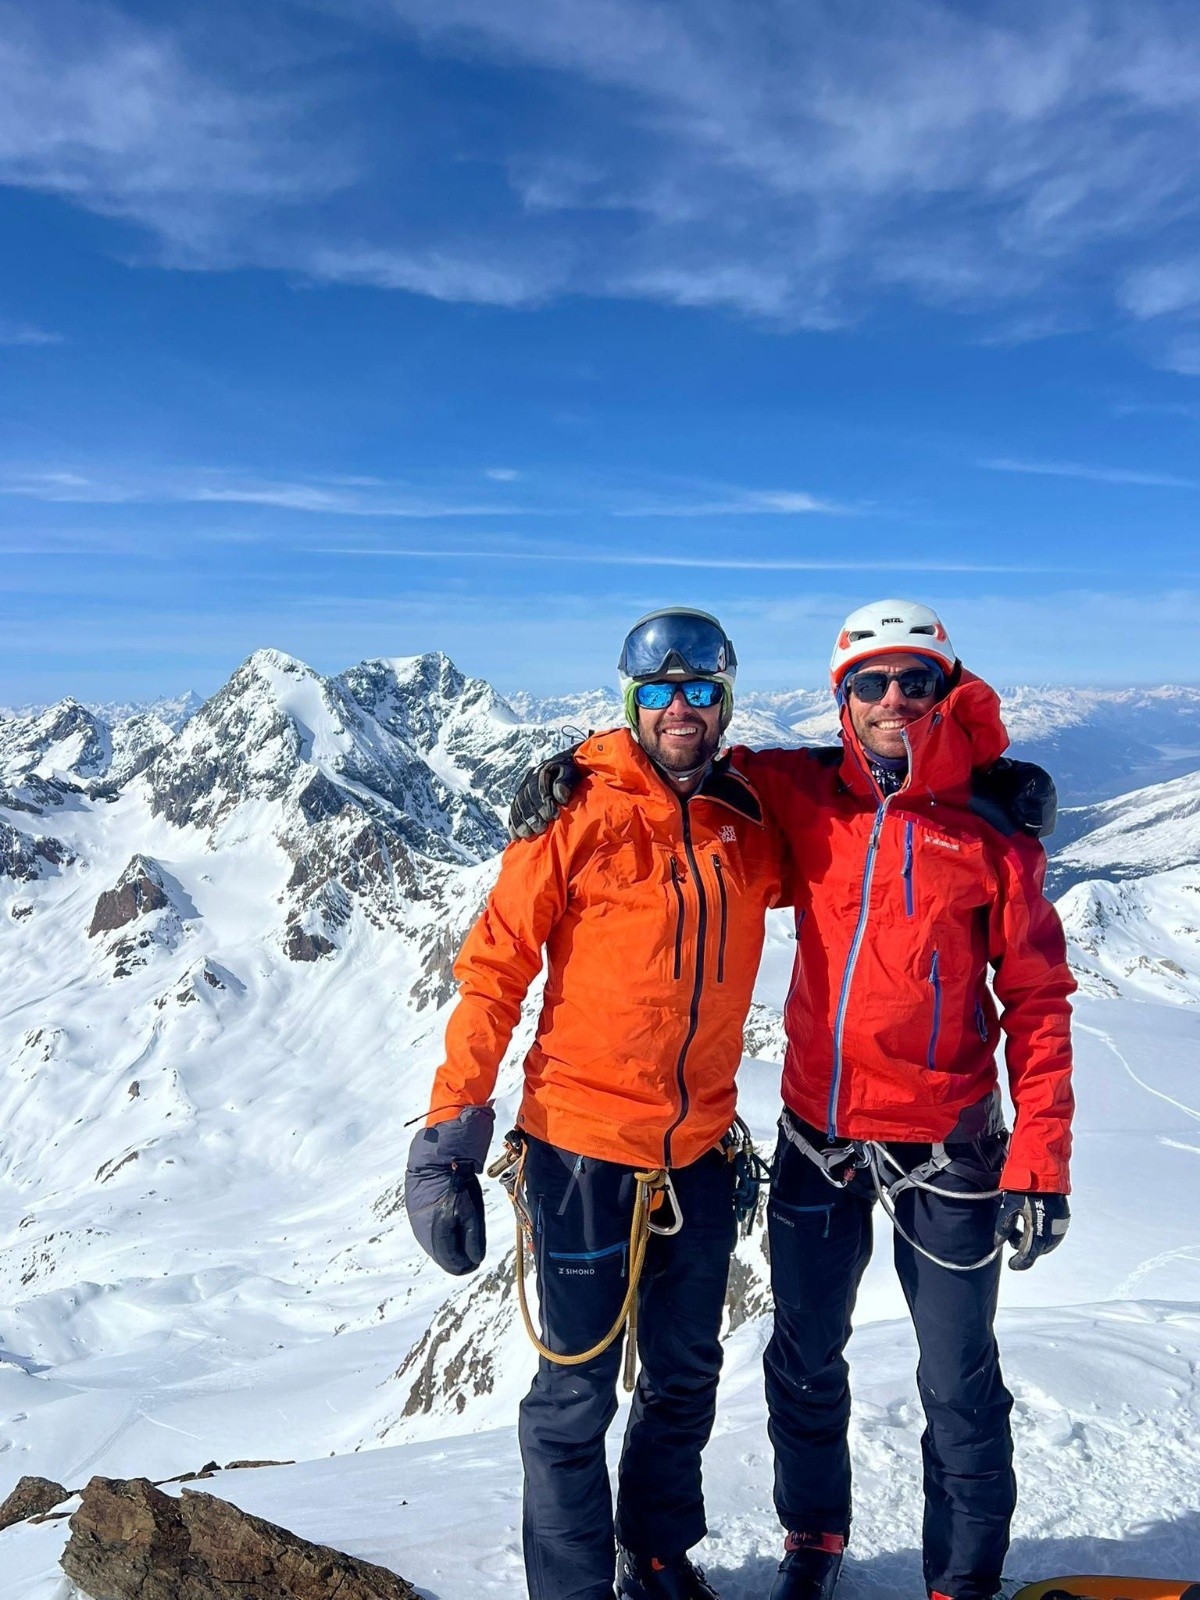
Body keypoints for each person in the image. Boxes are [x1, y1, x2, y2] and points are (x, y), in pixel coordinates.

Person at [508, 599, 1073, 1600]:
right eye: (871, 681)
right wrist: (570, 767)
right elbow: (672, 758)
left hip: (948, 1143)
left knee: (958, 1380)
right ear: (842, 698)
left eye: (915, 680)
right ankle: (814, 1539)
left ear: (947, 690)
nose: (893, 698)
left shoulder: (992, 827)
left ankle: (963, 1582)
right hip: (821, 1134)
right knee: (805, 1360)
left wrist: (1041, 1157)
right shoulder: (802, 792)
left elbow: (1036, 999)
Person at [405, 607, 784, 1600]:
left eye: (699, 690)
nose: (679, 709)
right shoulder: (575, 811)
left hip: (699, 1153)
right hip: (580, 1150)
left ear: (724, 703)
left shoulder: (750, 819)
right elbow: (494, 973)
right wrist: (450, 1133)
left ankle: (656, 1558)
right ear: (631, 702)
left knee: (685, 1375)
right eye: (658, 691)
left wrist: (975, 781)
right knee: (574, 1394)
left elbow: (859, 805)